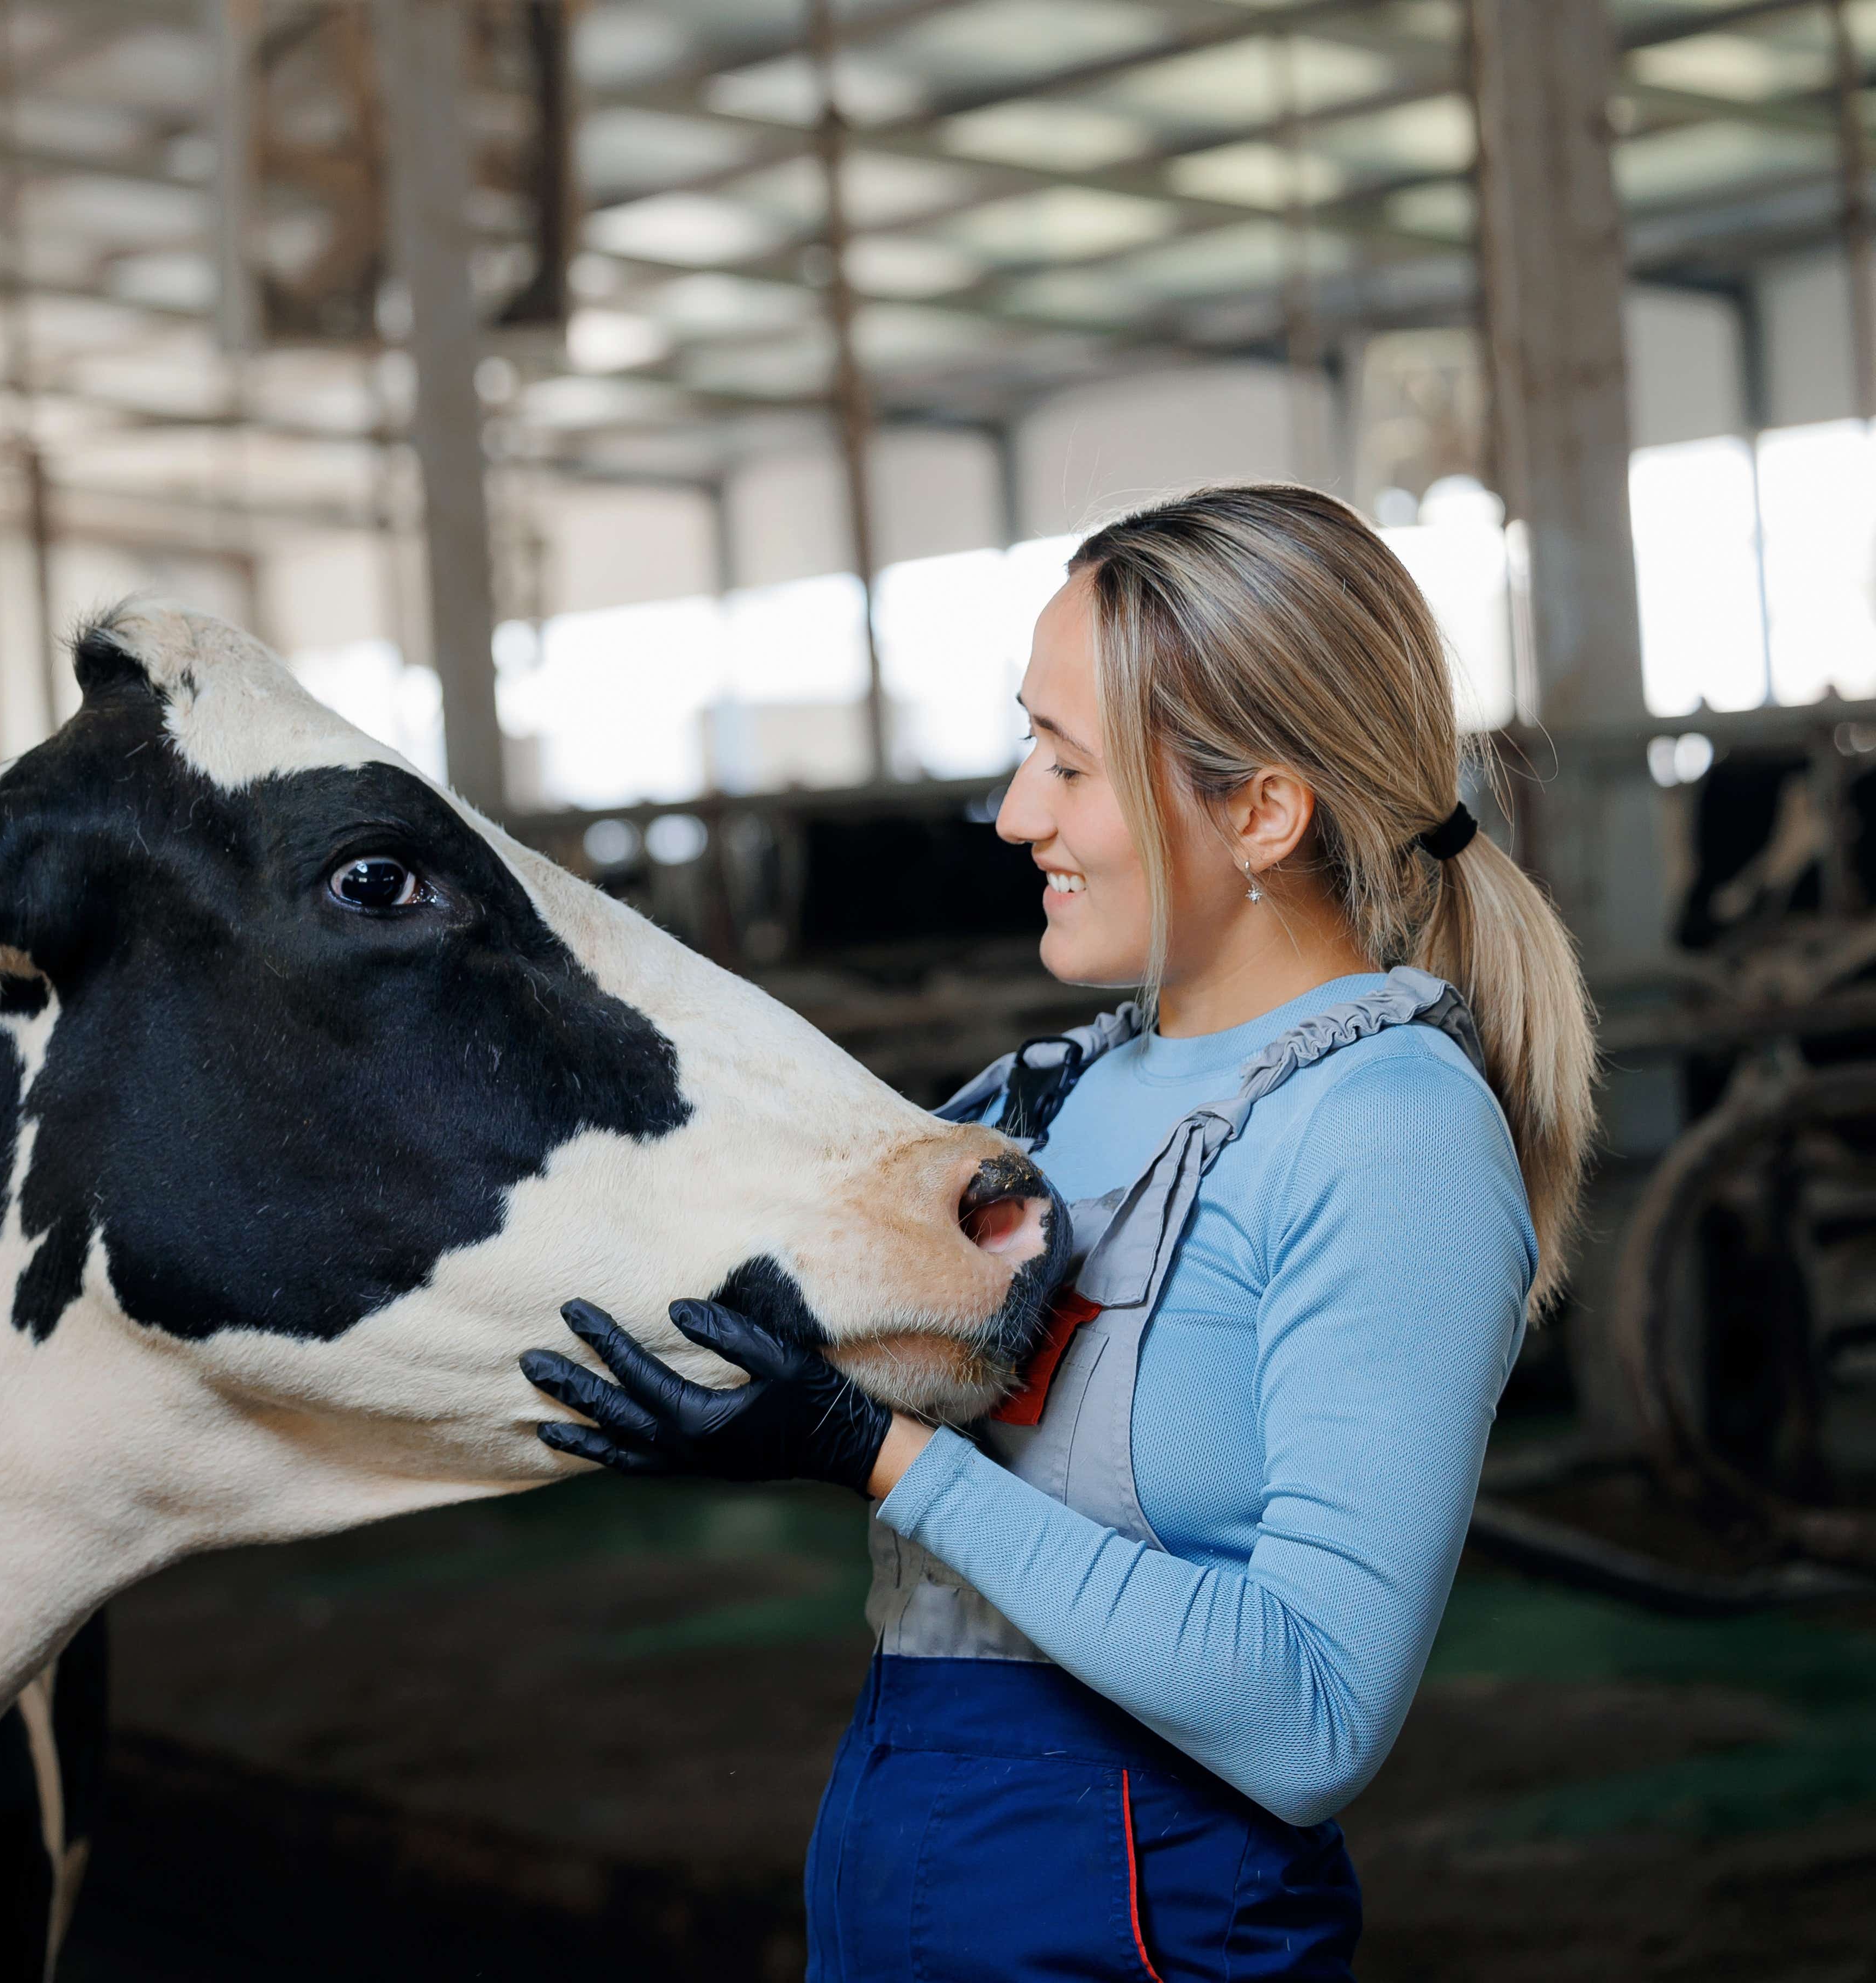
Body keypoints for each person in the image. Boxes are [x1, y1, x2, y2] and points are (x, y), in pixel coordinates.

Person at [522, 484, 1593, 1981]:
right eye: (1030, 743)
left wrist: (876, 1457)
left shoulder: (1387, 1131)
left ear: (1264, 811)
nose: (1018, 812)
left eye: (1069, 764)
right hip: (902, 1873)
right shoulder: (1054, 1092)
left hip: (1144, 1925)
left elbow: (1311, 1719)